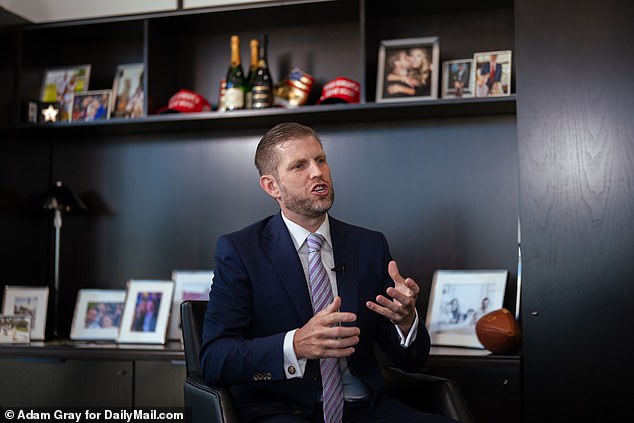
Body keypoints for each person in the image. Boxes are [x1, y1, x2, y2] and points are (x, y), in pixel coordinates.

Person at [200, 123, 455, 423]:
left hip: (364, 409)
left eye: (320, 160)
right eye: (299, 166)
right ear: (272, 186)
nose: (317, 172)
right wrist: (295, 345)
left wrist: (406, 322)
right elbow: (215, 359)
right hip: (282, 411)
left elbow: (412, 361)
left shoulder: (369, 246)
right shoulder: (240, 251)